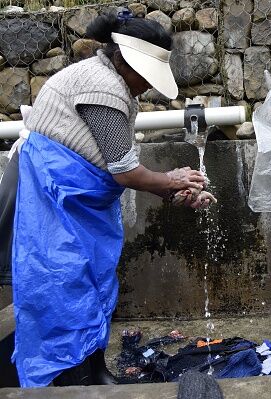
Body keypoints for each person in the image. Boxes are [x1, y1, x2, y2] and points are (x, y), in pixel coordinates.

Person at [0, 10, 215, 387]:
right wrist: (170, 180)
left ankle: (91, 372)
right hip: (47, 194)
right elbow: (127, 172)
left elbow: (118, 162)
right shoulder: (101, 87)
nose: (148, 86)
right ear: (126, 60)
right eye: (146, 75)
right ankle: (63, 377)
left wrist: (174, 188)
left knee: (92, 282)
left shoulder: (112, 85)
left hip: (72, 198)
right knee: (62, 284)